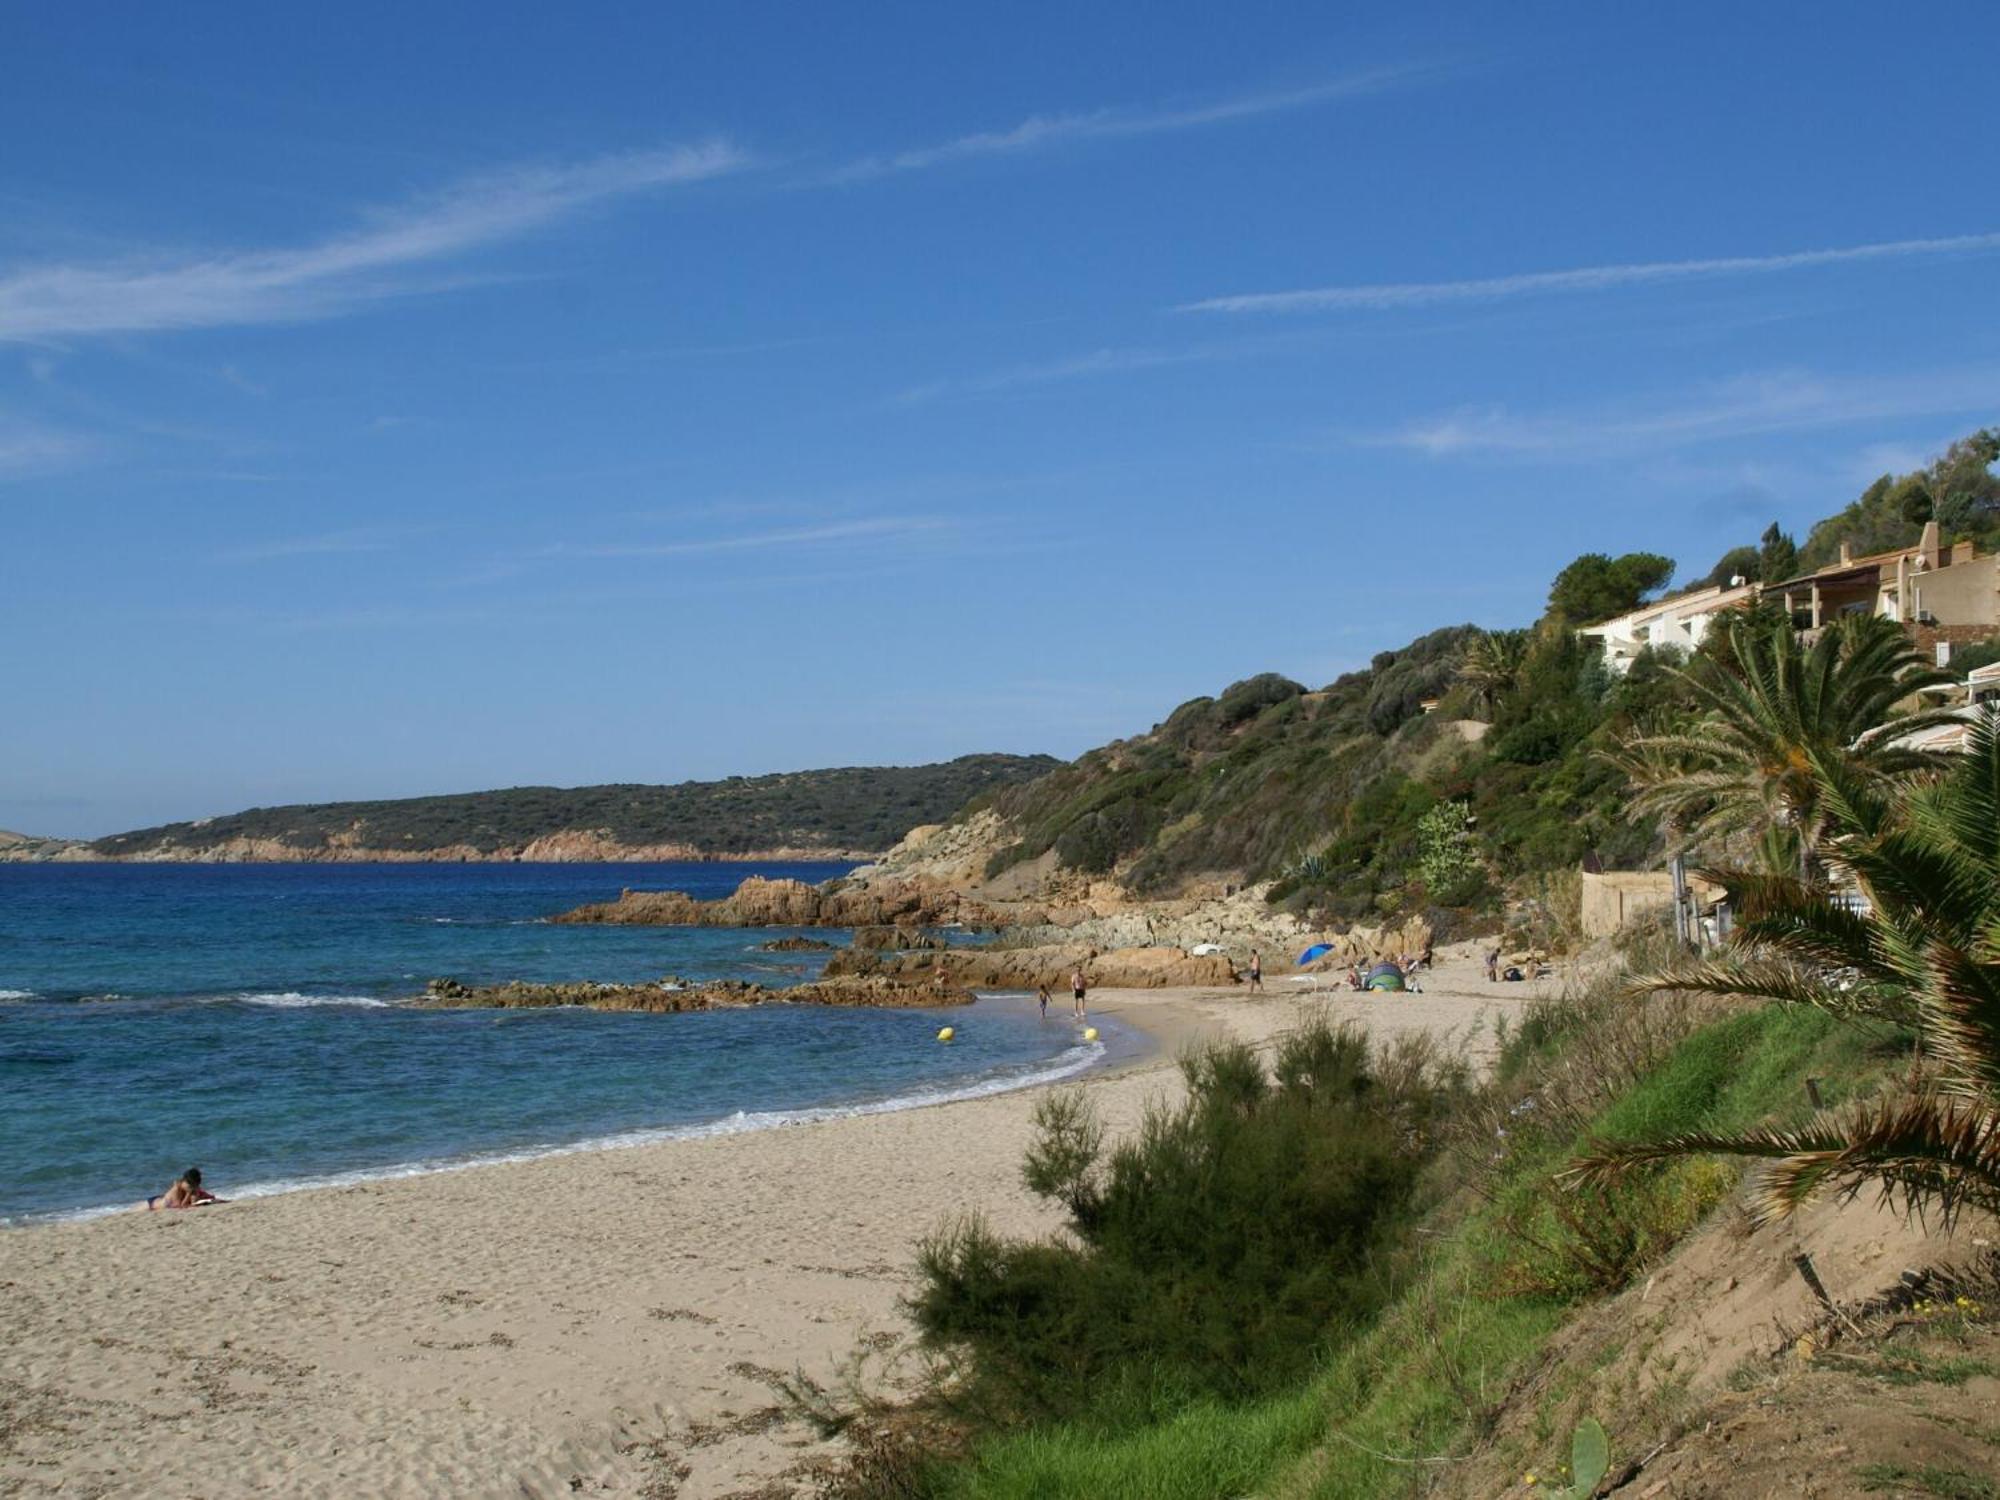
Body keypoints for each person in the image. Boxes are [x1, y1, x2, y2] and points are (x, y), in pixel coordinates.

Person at [146, 1167, 220, 1212]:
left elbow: (200, 1192)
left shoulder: (189, 1185)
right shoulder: (177, 1189)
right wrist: (188, 1194)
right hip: (152, 1204)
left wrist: (209, 1197)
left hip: (161, 1199)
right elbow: (179, 1206)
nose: (193, 1187)